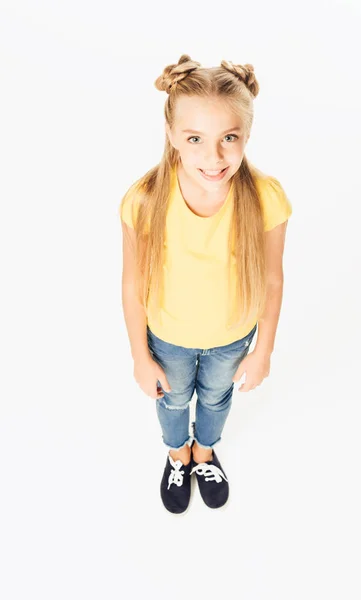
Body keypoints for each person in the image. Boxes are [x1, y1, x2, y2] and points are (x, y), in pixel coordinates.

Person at [119, 54, 293, 515]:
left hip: (232, 340)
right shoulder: (144, 200)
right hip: (168, 339)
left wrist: (264, 350)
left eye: (228, 139)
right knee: (173, 402)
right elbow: (132, 281)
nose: (213, 157)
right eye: (195, 139)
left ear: (246, 137)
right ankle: (177, 454)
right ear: (172, 135)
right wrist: (140, 354)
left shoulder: (266, 197)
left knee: (216, 399)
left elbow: (273, 279)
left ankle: (204, 451)